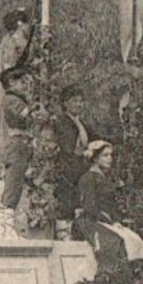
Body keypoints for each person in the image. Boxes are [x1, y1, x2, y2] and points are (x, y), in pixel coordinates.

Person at [75, 142, 143, 269]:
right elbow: (90, 206)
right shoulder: (88, 178)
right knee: (116, 242)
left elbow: (112, 206)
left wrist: (115, 220)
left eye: (111, 155)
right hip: (90, 221)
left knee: (135, 240)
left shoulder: (105, 179)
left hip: (106, 220)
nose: (110, 159)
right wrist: (108, 220)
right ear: (95, 158)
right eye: (105, 155)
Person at [0, 66, 39, 239]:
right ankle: (4, 229)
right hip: (17, 144)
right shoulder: (11, 99)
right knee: (13, 185)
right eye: (22, 81)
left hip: (23, 144)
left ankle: (12, 227)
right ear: (12, 82)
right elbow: (28, 116)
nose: (25, 85)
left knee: (19, 185)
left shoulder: (16, 99)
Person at [0, 8, 33, 175]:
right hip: (10, 89)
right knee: (5, 125)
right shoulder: (14, 41)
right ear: (20, 24)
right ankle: (2, 166)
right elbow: (9, 69)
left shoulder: (10, 41)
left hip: (12, 87)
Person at [52, 85, 98, 231]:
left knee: (78, 204)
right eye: (75, 101)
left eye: (81, 101)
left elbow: (95, 138)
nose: (79, 104)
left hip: (79, 170)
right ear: (65, 103)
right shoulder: (63, 123)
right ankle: (64, 238)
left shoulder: (80, 123)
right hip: (67, 170)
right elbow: (68, 148)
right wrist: (86, 152)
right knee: (66, 205)